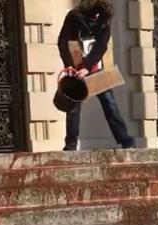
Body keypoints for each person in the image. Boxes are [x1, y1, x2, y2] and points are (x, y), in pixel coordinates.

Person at [57, 0, 136, 151]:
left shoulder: (105, 19)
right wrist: (70, 66)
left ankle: (126, 141)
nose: (96, 17)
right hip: (75, 66)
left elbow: (102, 45)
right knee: (73, 105)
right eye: (93, 15)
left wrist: (87, 67)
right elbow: (63, 41)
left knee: (109, 103)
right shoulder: (73, 17)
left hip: (95, 66)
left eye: (99, 14)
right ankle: (71, 144)